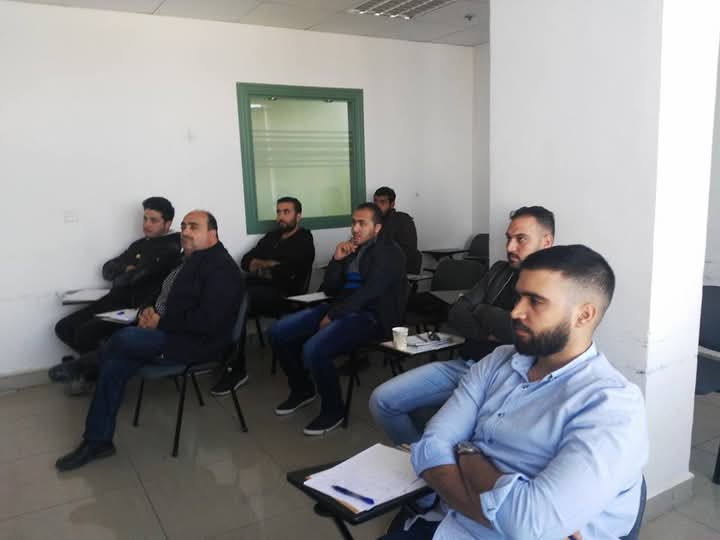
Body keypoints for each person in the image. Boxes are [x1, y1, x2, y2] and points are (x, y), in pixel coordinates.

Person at [381, 245, 648, 540]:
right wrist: (499, 511)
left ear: (584, 315)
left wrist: (465, 451)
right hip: (442, 524)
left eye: (536, 301)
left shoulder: (611, 406)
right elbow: (430, 447)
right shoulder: (498, 360)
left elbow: (529, 524)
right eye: (520, 297)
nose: (516, 312)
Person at [55, 210, 245, 471]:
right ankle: (97, 442)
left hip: (198, 344)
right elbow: (163, 297)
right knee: (114, 365)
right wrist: (148, 312)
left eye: (194, 227)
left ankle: (82, 366)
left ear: (213, 233)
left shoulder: (222, 269)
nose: (186, 232)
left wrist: (160, 323)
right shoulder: (189, 261)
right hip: (167, 334)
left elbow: (208, 322)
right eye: (184, 226)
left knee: (125, 337)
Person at [370, 206, 554, 445]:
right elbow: (456, 312)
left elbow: (518, 334)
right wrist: (489, 331)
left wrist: (482, 310)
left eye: (521, 239)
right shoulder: (500, 271)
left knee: (437, 430)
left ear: (546, 242)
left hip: (500, 378)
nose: (510, 247)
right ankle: (424, 459)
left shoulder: (555, 285)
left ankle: (431, 456)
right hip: (464, 363)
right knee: (382, 401)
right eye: (508, 238)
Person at [270, 203, 407, 436]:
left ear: (377, 228)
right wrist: (337, 260)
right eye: (353, 223)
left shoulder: (389, 252)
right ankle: (303, 389)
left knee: (314, 349)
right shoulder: (352, 249)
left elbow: (370, 292)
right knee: (279, 332)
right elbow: (330, 289)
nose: (355, 228)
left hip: (372, 316)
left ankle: (333, 410)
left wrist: (333, 316)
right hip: (341, 307)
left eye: (362, 223)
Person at [210, 197, 314, 396]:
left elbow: (287, 272)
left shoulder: (304, 240)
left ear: (298, 216)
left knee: (238, 300)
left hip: (285, 296)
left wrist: (260, 265)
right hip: (258, 290)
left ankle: (236, 370)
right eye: (279, 212)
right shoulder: (271, 237)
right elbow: (245, 261)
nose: (280, 217)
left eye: (286, 212)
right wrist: (268, 265)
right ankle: (223, 358)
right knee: (223, 294)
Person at [53, 197, 181, 359]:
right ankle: (93, 365)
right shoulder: (139, 244)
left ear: (167, 224)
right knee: (63, 327)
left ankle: (94, 367)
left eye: (153, 220)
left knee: (86, 333)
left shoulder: (172, 248)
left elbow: (136, 278)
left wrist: (128, 271)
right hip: (114, 299)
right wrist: (127, 269)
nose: (146, 224)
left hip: (136, 307)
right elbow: (107, 270)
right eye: (145, 218)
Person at [374, 186, 422, 274]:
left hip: (400, 269)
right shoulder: (373, 221)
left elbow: (408, 251)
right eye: (375, 201)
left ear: (392, 204)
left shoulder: (403, 220)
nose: (378, 205)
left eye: (382, 202)